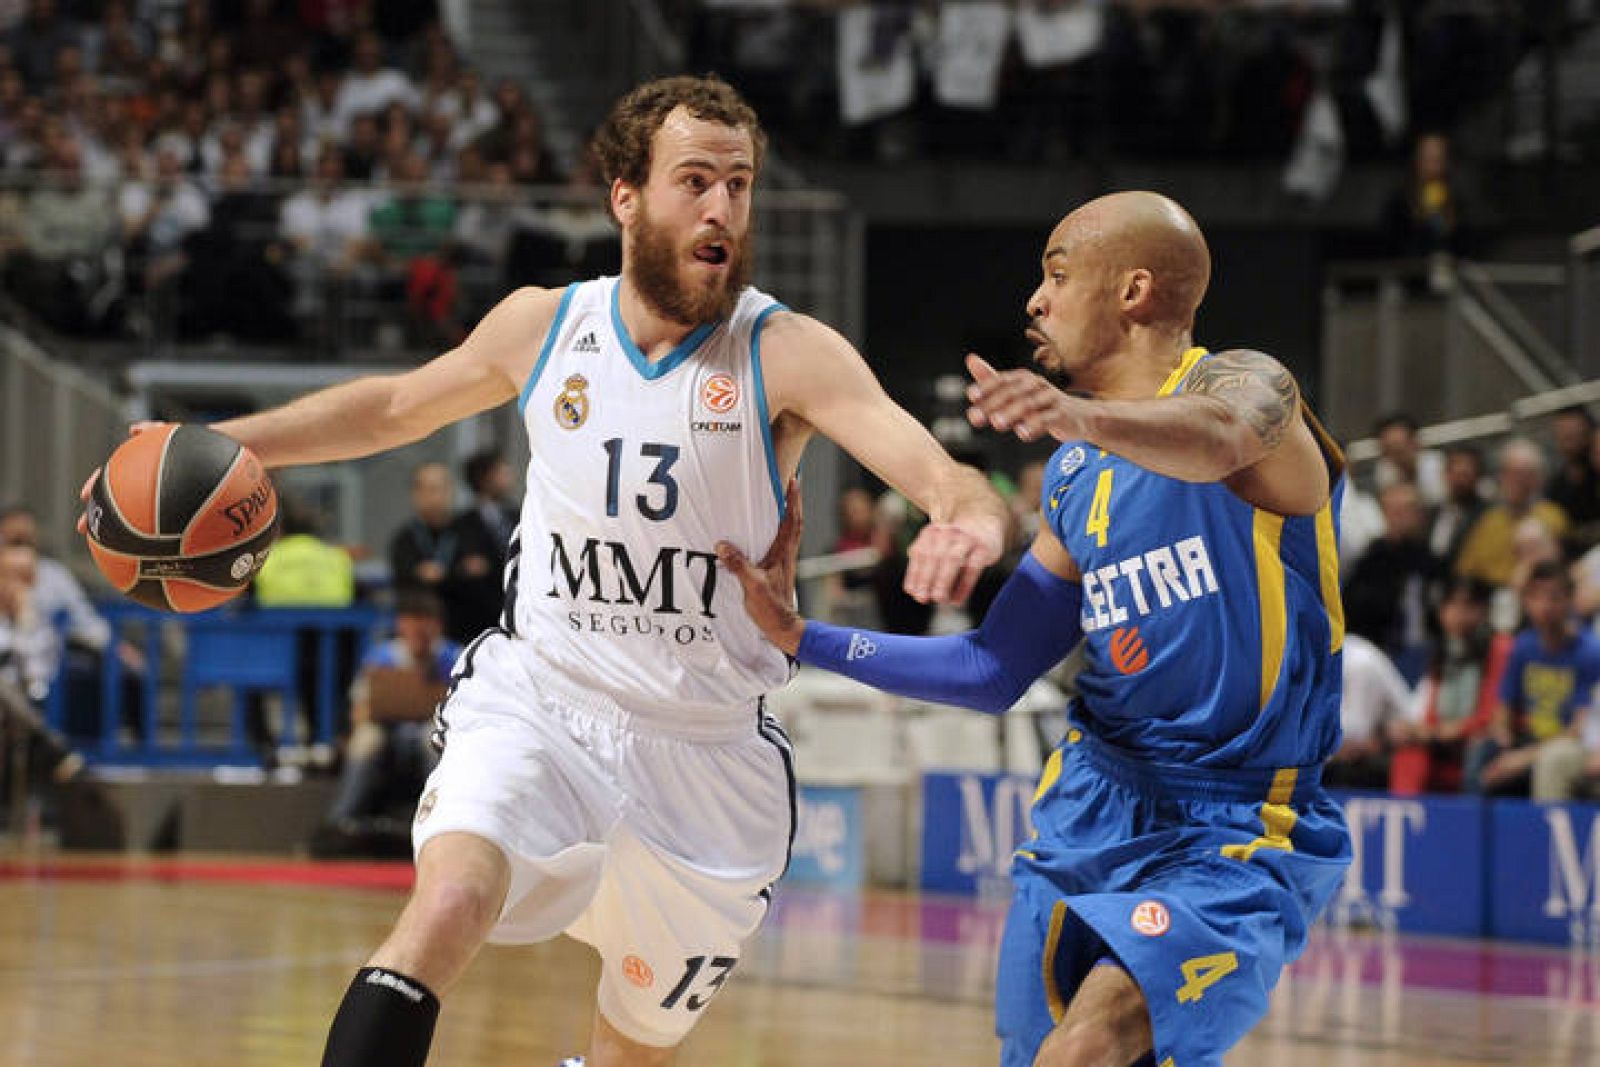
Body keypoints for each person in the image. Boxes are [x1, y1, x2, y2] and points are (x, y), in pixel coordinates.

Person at [83, 74, 1005, 1067]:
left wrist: (971, 516)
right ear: (625, 196)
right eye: (693, 180)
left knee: (630, 1049)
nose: (720, 208)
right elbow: (395, 407)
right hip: (544, 700)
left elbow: (942, 472)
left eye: (738, 186)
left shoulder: (785, 352)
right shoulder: (545, 325)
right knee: (448, 902)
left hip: (706, 755)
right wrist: (222, 440)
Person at [722, 190, 1350, 1067]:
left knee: (1087, 1045)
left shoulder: (1245, 387)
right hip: (1090, 802)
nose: (1034, 300)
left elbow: (1219, 436)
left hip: (1237, 823)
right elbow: (992, 666)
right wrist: (801, 636)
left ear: (1133, 291)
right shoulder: (1073, 474)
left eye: (1056, 274)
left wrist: (1078, 416)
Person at [314, 589, 462, 858]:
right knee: (365, 741)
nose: (418, 630)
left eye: (425, 623)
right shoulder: (382, 656)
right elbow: (361, 704)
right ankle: (340, 823)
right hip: (386, 726)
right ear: (401, 625)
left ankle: (442, 820)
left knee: (432, 742)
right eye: (411, 623)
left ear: (437, 625)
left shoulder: (454, 657)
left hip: (433, 728)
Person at [1464, 560, 1600, 799]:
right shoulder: (1522, 647)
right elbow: (1503, 707)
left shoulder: (1589, 652)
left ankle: (1540, 834)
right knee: (1482, 752)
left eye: (1554, 598)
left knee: (1551, 761)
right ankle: (1473, 832)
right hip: (1528, 739)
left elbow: (1579, 730)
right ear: (1526, 602)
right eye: (1536, 597)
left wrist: (1521, 759)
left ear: (1569, 600)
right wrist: (1502, 736)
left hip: (1568, 744)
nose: (1545, 607)